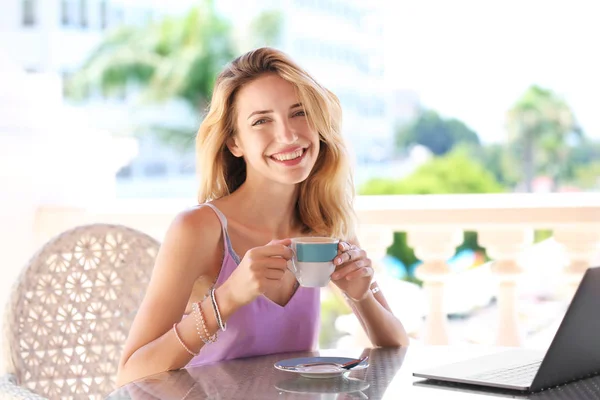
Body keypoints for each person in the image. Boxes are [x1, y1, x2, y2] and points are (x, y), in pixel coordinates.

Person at [116, 47, 409, 387]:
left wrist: (362, 297)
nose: (288, 135)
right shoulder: (199, 229)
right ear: (234, 142)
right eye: (261, 121)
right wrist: (227, 298)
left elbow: (395, 346)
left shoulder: (324, 225)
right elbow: (130, 374)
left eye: (300, 113)